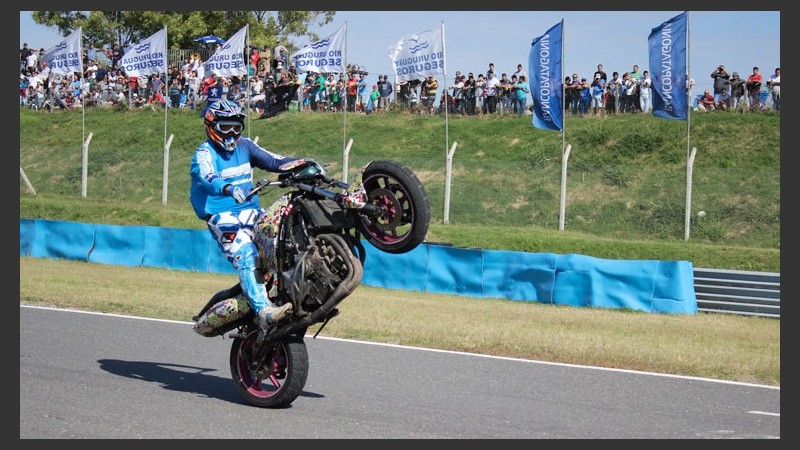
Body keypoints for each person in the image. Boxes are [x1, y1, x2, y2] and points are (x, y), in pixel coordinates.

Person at [189, 99, 296, 331]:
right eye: (224, 127)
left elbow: (274, 161)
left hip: (251, 212)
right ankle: (264, 310)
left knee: (282, 239)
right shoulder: (203, 153)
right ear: (211, 127)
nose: (231, 133)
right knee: (247, 253)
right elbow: (207, 178)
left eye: (236, 127)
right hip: (221, 216)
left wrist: (300, 164)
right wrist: (228, 189)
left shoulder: (246, 146)